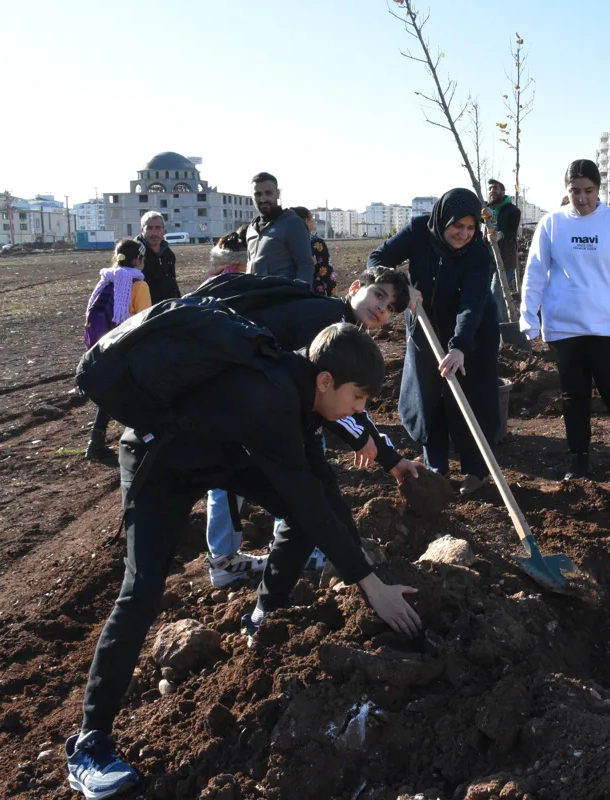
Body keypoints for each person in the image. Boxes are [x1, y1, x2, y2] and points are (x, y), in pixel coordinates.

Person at [65, 323, 422, 800]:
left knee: (305, 510)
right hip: (162, 459)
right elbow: (305, 495)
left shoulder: (306, 395)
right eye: (357, 398)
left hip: (220, 454)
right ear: (325, 381)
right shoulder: (271, 397)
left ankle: (263, 614)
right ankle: (90, 744)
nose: (358, 413)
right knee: (143, 587)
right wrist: (372, 587)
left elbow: (323, 498)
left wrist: (366, 575)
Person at [195, 267, 418, 588]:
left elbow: (345, 402)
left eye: (391, 308)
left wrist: (386, 455)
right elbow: (330, 400)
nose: (382, 308)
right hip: (228, 390)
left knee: (284, 467)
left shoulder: (342, 325)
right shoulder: (327, 323)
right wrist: (372, 446)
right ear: (355, 287)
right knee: (235, 472)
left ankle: (276, 549)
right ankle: (235, 560)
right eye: (379, 294)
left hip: (254, 394)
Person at [520, 158, 610, 480]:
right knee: (573, 398)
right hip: (564, 327)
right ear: (567, 191)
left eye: (588, 191)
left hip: (607, 326)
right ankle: (578, 460)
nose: (582, 198)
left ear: (598, 189)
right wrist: (529, 318)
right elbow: (535, 273)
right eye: (575, 191)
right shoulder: (552, 224)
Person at [368, 189, 500, 496]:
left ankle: (475, 470)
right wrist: (402, 287)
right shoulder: (418, 230)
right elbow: (377, 258)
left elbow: (472, 304)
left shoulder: (479, 253)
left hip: (473, 332)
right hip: (425, 325)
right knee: (428, 395)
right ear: (443, 221)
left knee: (471, 396)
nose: (464, 234)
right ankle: (436, 466)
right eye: (458, 227)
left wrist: (459, 347)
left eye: (470, 228)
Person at [82, 240, 152, 459]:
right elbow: (144, 318)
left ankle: (96, 441)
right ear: (136, 260)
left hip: (103, 345)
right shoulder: (138, 285)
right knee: (139, 394)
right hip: (127, 346)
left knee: (110, 393)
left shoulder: (105, 281)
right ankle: (148, 440)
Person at [245, 172, 313, 283]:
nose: (263, 199)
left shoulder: (292, 223)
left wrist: (300, 296)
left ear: (277, 194)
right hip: (253, 297)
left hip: (282, 297)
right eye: (258, 194)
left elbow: (305, 265)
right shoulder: (251, 229)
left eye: (268, 193)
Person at [291, 206, 337, 296]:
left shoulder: (282, 243)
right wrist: (333, 297)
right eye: (312, 218)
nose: (314, 222)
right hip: (314, 295)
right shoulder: (316, 243)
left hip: (289, 294)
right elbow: (326, 272)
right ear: (306, 221)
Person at [486, 179, 522, 292]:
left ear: (502, 192)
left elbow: (511, 231)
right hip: (486, 260)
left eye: (495, 188)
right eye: (490, 189)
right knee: (485, 298)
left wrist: (499, 235)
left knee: (497, 296)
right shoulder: (486, 209)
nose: (492, 191)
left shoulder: (513, 210)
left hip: (504, 260)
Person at [135, 212, 180, 302]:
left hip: (166, 309)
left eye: (158, 228)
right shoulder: (134, 253)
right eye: (149, 228)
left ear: (164, 230)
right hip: (143, 311)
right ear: (142, 230)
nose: (154, 233)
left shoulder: (168, 254)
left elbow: (172, 283)